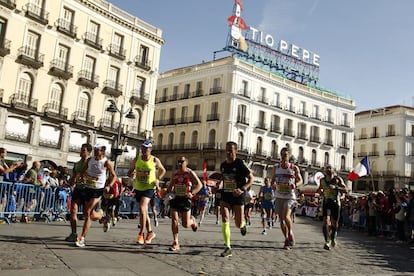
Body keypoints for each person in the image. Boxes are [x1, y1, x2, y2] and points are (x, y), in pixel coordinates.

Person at [75, 144, 117, 247]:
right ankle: (103, 218)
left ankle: (82, 238)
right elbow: (83, 171)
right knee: (88, 213)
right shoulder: (90, 160)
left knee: (88, 212)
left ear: (102, 152)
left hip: (98, 190)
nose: (95, 151)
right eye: (95, 149)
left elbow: (114, 176)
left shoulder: (107, 162)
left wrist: (109, 186)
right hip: (88, 188)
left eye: (97, 150)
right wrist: (82, 177)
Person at [218, 141, 254, 257]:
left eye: (231, 150)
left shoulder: (239, 163)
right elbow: (224, 180)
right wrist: (219, 185)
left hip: (238, 195)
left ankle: (243, 224)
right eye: (226, 150)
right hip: (226, 196)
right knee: (224, 218)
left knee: (238, 223)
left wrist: (242, 189)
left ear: (236, 151)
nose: (228, 152)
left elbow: (251, 179)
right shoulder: (223, 165)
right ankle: (228, 247)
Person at [128, 140, 166, 245]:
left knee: (142, 207)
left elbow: (163, 170)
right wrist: (132, 173)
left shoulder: (154, 160)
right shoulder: (136, 159)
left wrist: (158, 179)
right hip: (139, 187)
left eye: (147, 148)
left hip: (149, 187)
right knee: (143, 211)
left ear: (150, 149)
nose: (145, 150)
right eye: (143, 148)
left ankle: (141, 234)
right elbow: (129, 171)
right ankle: (150, 232)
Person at [167, 156, 202, 251]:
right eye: (178, 161)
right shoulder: (174, 173)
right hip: (175, 198)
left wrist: (192, 193)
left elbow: (199, 185)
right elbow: (170, 185)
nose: (179, 163)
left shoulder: (190, 173)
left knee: (185, 224)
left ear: (186, 163)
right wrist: (168, 191)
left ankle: (192, 221)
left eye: (181, 162)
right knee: (174, 219)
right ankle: (175, 242)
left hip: (185, 199)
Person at [271, 147, 303, 250]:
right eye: (283, 154)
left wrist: (296, 185)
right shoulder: (276, 167)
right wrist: (273, 185)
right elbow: (272, 181)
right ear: (280, 155)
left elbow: (300, 180)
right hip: (279, 195)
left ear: (289, 156)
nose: (284, 156)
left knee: (286, 215)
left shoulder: (294, 168)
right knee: (281, 220)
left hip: (290, 196)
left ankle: (290, 233)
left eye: (286, 155)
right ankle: (286, 239)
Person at [65, 143, 92, 242]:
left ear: (89, 152)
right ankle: (74, 233)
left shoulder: (91, 163)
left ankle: (102, 216)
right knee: (73, 210)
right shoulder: (77, 164)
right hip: (78, 189)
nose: (81, 152)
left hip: (88, 189)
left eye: (83, 150)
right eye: (81, 150)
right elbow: (74, 176)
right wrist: (71, 181)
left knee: (88, 214)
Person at [317, 164, 348, 250]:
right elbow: (320, 189)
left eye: (330, 168)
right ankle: (327, 241)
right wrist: (320, 191)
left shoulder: (337, 179)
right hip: (326, 202)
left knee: (334, 223)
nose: (328, 169)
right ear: (324, 170)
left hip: (335, 203)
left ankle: (333, 237)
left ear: (333, 170)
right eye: (327, 168)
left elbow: (346, 190)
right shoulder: (322, 180)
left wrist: (336, 188)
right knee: (325, 222)